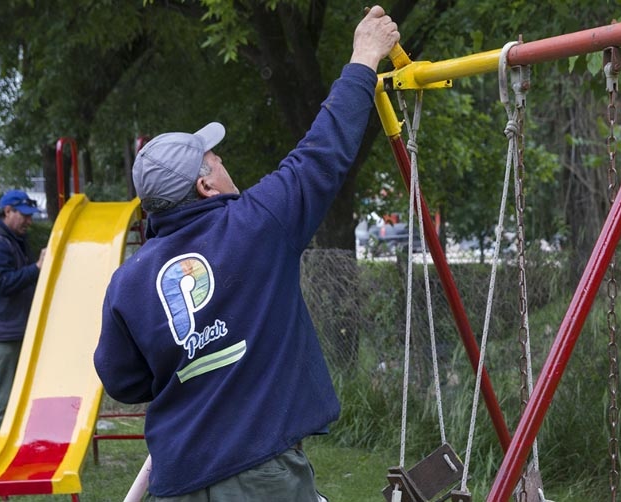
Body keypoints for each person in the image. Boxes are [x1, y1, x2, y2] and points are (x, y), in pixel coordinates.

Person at [93, 5, 399, 500]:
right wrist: (364, 57)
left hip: (177, 479)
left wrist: (195, 361)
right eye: (217, 158)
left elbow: (123, 381)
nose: (224, 164)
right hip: (260, 477)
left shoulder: (128, 281)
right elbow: (323, 152)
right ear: (206, 183)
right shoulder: (259, 225)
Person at [0, 189, 46, 457]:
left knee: (6, 397)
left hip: (10, 330)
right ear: (7, 212)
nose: (29, 222)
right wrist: (36, 269)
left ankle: (4, 451)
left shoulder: (13, 239)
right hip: (0, 334)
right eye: (24, 216)